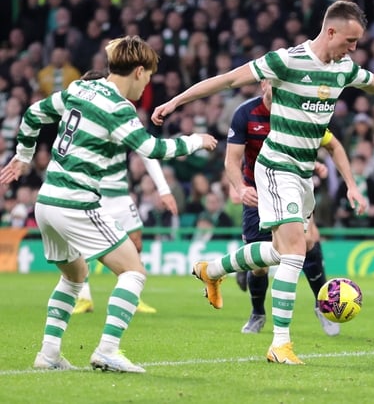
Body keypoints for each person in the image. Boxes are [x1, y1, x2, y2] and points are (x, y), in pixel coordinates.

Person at [151, 0, 374, 365]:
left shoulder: (343, 68)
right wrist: (175, 102)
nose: (353, 49)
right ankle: (280, 343)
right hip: (275, 167)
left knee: (283, 254)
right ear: (330, 31)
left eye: (357, 43)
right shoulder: (287, 61)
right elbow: (228, 80)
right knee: (297, 251)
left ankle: (212, 270)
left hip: (303, 174)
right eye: (349, 41)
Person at [0, 35, 217, 373]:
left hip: (46, 203)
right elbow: (150, 149)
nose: (145, 86)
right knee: (134, 271)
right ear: (139, 71)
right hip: (76, 203)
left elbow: (32, 114)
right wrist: (197, 140)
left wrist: (23, 156)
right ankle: (107, 350)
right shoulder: (117, 107)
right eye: (147, 78)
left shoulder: (79, 89)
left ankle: (49, 354)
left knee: (76, 277)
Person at [225, 79, 339, 336]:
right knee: (259, 265)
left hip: (292, 186)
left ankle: (322, 306)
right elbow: (231, 159)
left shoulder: (296, 109)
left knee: (308, 242)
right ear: (264, 84)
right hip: (256, 191)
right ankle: (257, 313)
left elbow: (316, 143)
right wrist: (239, 188)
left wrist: (314, 165)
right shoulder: (245, 114)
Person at [73, 70, 179, 316]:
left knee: (136, 243)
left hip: (120, 194)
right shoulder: (79, 118)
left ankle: (132, 295)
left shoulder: (121, 113)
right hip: (93, 193)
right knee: (80, 248)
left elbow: (146, 151)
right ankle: (84, 297)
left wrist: (164, 190)